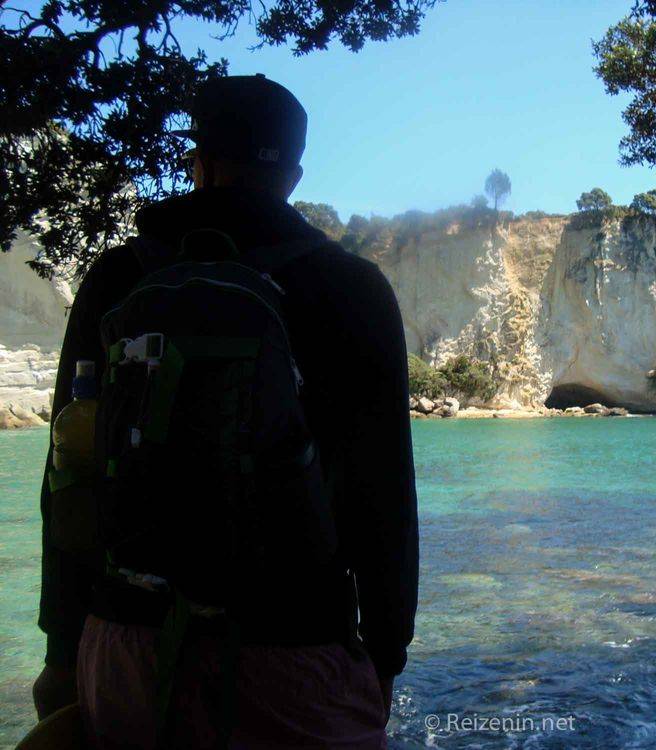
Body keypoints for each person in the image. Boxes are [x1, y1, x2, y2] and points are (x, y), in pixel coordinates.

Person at [32, 74, 419, 748]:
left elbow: (68, 471)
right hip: (296, 650)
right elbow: (384, 497)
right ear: (294, 174)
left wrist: (63, 649)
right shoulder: (352, 287)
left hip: (126, 641)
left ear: (198, 161)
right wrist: (386, 654)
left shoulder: (119, 277)